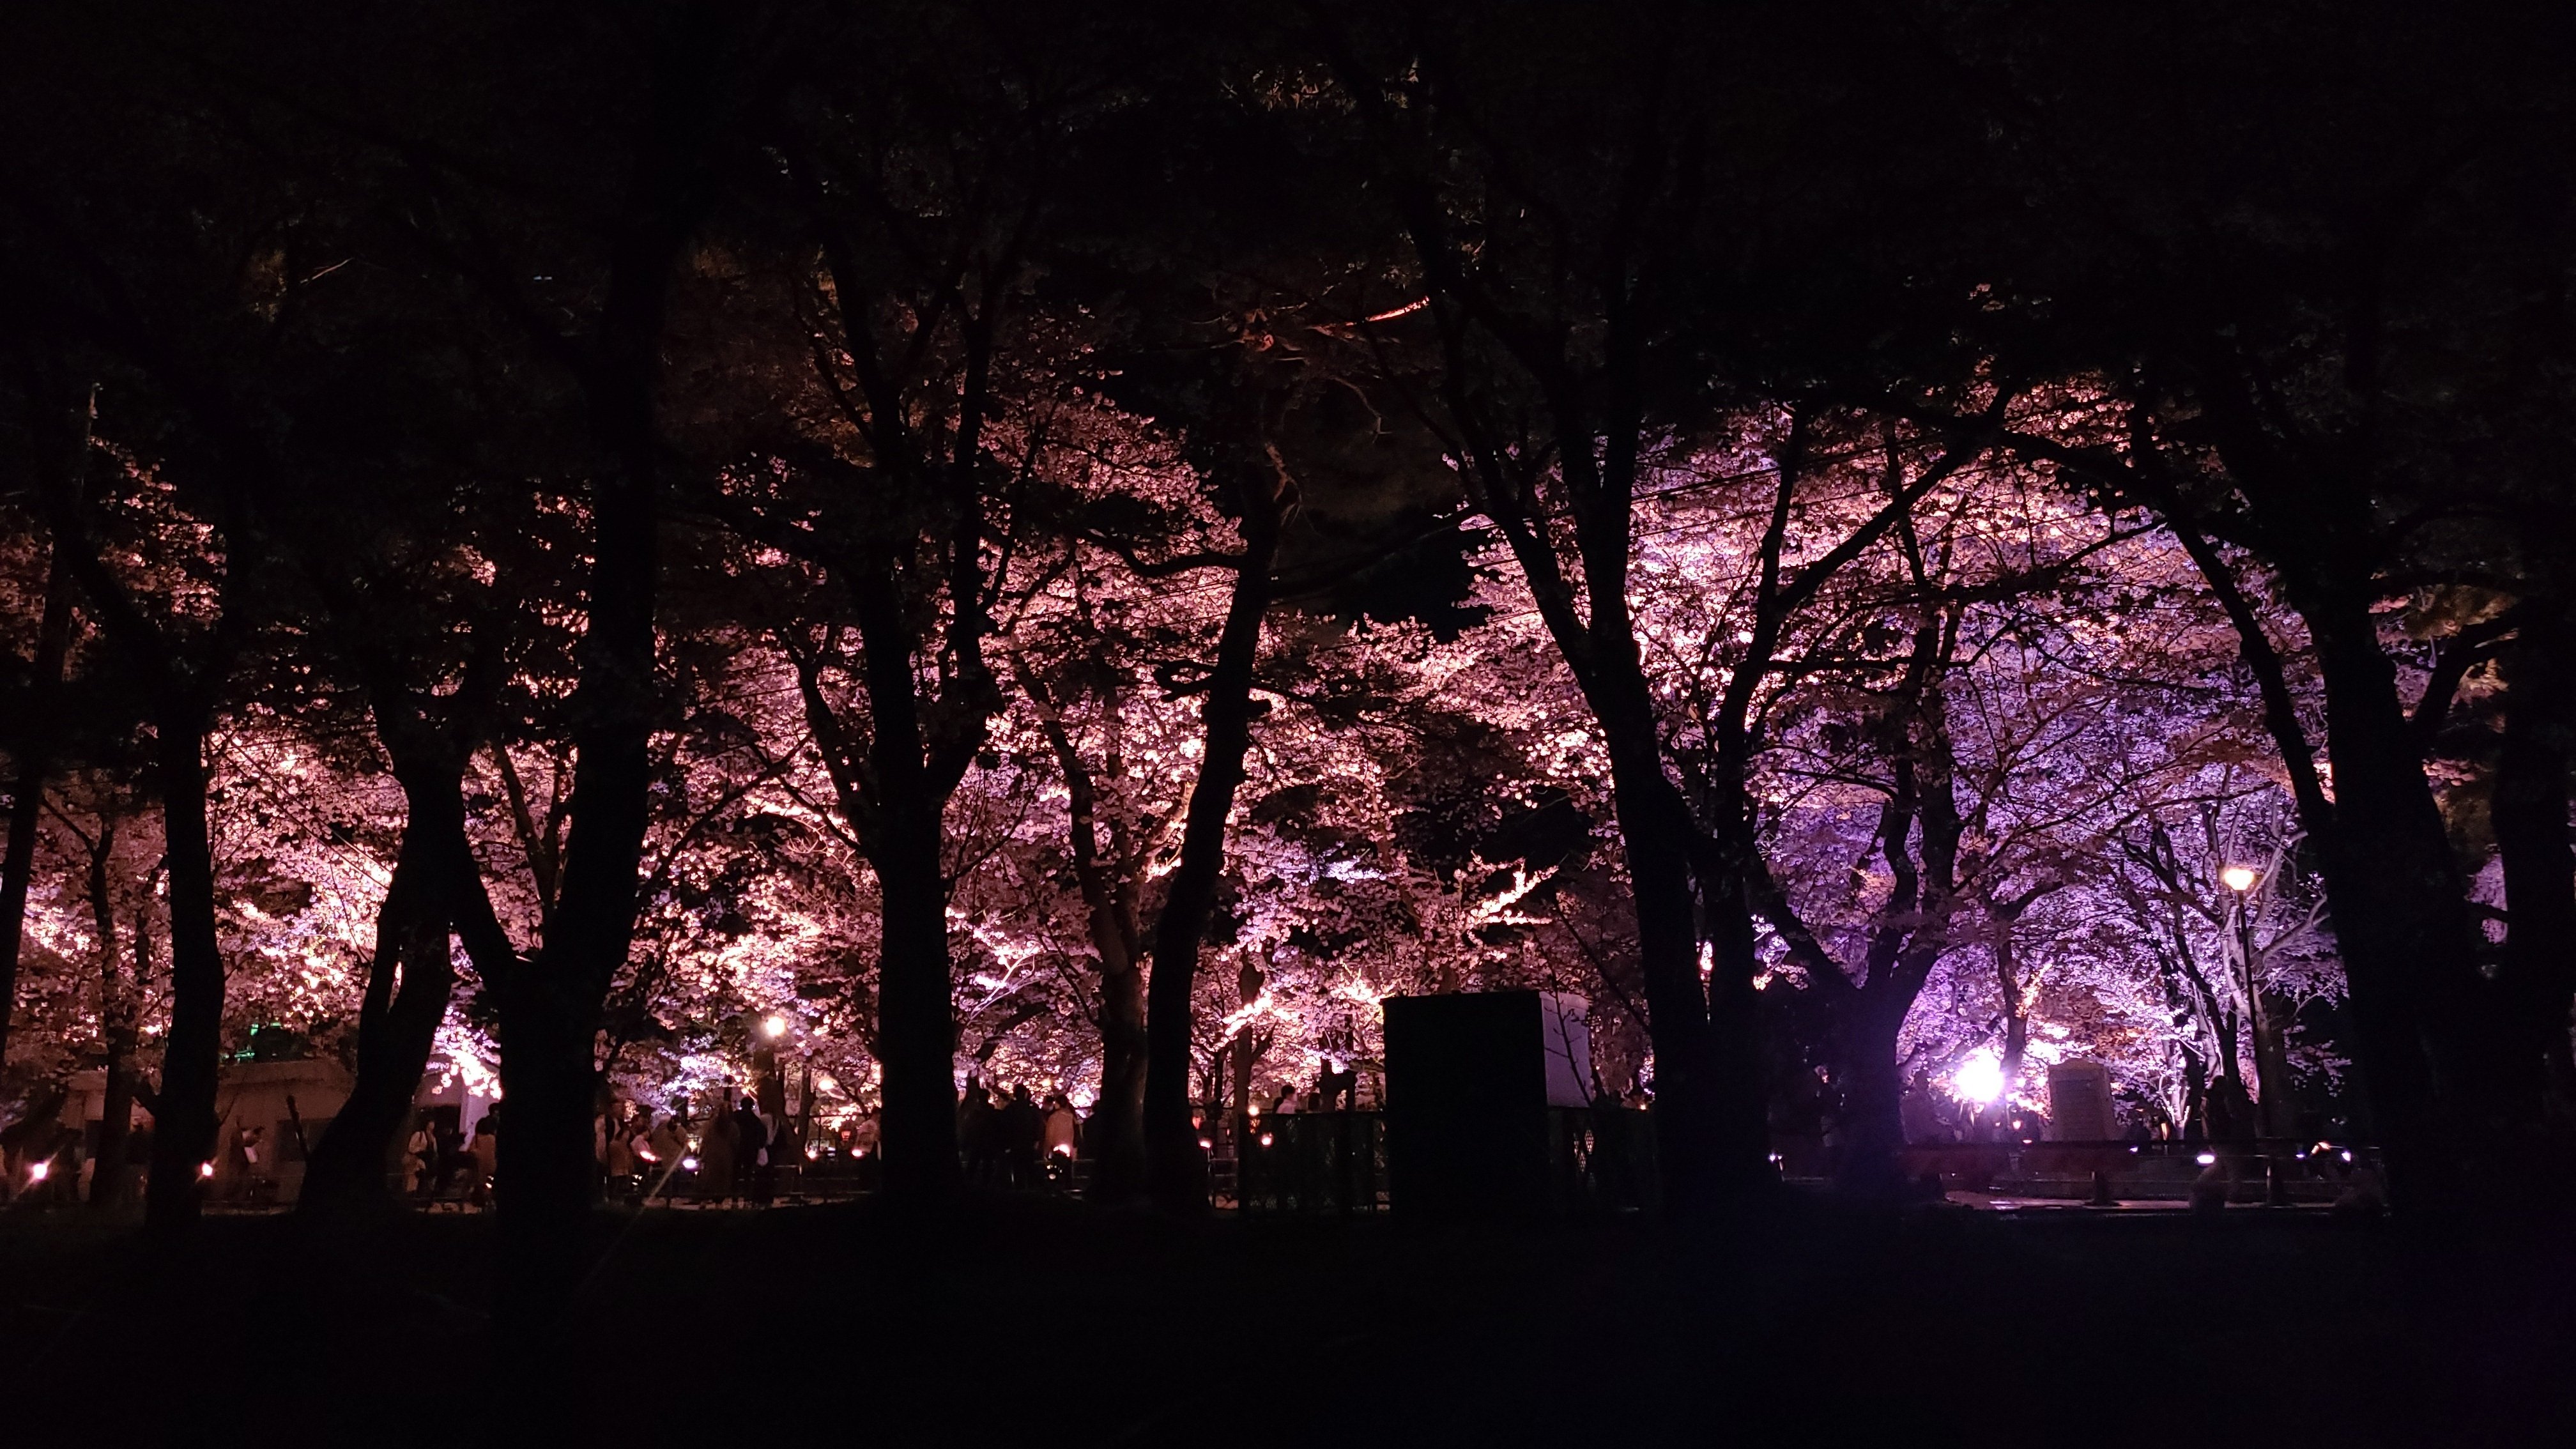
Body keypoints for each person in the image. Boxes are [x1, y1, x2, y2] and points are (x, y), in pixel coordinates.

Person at [999, 1085, 1045, 1188]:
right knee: (1031, 1169)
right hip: (1028, 1144)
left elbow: (1005, 1127)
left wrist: (1006, 1144)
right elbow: (1038, 1125)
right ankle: (1033, 1192)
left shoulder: (1010, 1109)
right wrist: (1037, 1140)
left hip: (1015, 1145)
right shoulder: (1031, 1108)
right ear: (1026, 1094)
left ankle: (1020, 1192)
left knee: (1018, 1171)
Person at [698, 1094, 740, 1202]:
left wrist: (703, 1152)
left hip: (713, 1155)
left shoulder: (710, 1125)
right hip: (726, 1156)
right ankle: (719, 1201)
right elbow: (736, 1142)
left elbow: (705, 1139)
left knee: (711, 1178)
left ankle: (706, 1200)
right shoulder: (733, 1127)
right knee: (723, 1178)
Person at [734, 1095, 771, 1205]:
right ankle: (747, 1198)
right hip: (751, 1150)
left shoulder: (735, 1117)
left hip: (737, 1149)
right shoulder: (756, 1121)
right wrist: (759, 1146)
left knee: (735, 1174)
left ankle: (734, 1198)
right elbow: (762, 1136)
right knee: (748, 1175)